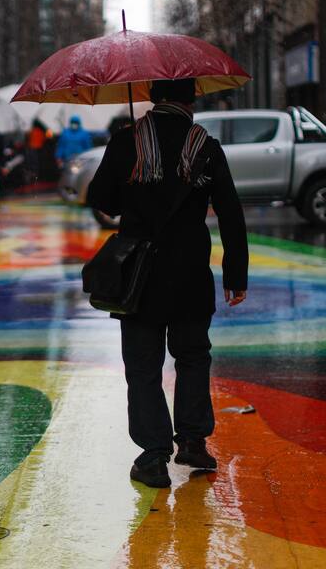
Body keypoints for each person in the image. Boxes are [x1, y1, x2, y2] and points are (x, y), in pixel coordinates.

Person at [87, 78, 249, 488]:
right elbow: (230, 212)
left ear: (152, 97)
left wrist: (131, 191)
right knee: (193, 356)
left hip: (140, 277)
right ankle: (193, 442)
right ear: (190, 99)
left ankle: (153, 456)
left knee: (143, 365)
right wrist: (236, 275)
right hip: (192, 272)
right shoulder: (205, 145)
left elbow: (103, 200)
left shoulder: (127, 142)